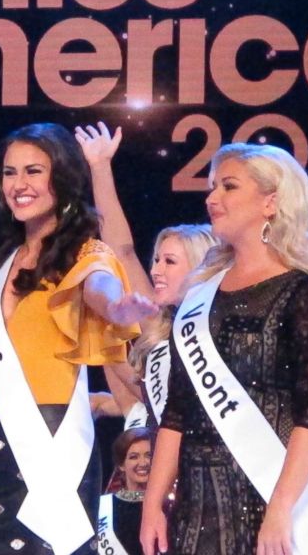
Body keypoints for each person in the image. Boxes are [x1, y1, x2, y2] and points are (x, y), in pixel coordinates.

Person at [0, 122, 154, 555]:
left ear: (60, 179)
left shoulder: (83, 253)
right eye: (10, 172)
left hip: (54, 444)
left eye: (33, 172)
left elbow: (100, 285)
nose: (19, 185)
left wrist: (117, 309)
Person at [141, 142, 308, 555]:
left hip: (271, 497)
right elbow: (177, 410)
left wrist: (281, 506)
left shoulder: (304, 295)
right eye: (213, 187)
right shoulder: (199, 298)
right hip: (197, 509)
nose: (212, 198)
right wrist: (152, 501)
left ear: (271, 201)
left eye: (228, 187)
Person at [76, 121, 216, 431]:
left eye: (169, 261)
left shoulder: (230, 328)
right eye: (155, 260)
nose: (155, 270)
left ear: (200, 268)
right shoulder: (158, 324)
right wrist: (99, 167)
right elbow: (121, 252)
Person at [98, 427, 151, 555]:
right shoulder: (103, 507)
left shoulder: (169, 506)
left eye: (149, 455)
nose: (143, 463)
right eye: (134, 457)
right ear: (121, 464)